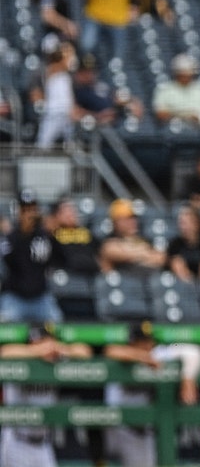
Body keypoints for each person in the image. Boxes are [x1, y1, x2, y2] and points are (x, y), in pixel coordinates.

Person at [104, 320, 200, 467]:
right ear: (132, 342)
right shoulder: (128, 353)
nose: (147, 345)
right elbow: (111, 350)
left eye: (149, 340)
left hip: (138, 433)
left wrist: (188, 379)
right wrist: (143, 357)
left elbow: (193, 350)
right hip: (113, 428)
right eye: (142, 341)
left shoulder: (157, 353)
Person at [0, 323, 92, 467]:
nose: (48, 346)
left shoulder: (55, 359)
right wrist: (37, 351)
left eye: (50, 341)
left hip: (44, 443)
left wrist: (60, 350)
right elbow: (5, 352)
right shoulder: (22, 356)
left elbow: (85, 351)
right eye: (42, 341)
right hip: (17, 441)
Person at [1, 190, 65, 323]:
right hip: (15, 297)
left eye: (32, 209)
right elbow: (10, 261)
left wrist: (53, 235)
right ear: (18, 212)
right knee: (5, 328)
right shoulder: (11, 236)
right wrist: (22, 235)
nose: (29, 214)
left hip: (41, 298)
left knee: (59, 326)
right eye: (25, 210)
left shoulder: (44, 235)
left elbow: (62, 260)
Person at [152, 53, 200, 129]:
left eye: (189, 71)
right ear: (177, 72)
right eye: (184, 72)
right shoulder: (164, 89)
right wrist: (186, 117)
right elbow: (160, 114)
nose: (187, 75)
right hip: (175, 131)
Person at [100, 199, 168, 274]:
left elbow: (161, 258)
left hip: (147, 281)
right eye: (127, 218)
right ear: (116, 222)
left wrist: (132, 252)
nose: (133, 222)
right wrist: (144, 253)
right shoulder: (109, 240)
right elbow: (110, 251)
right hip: (122, 282)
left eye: (134, 218)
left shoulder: (143, 238)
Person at [35, 47, 78, 149]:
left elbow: (69, 97)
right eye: (68, 57)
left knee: (71, 144)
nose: (71, 60)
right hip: (53, 114)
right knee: (43, 144)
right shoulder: (52, 69)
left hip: (67, 114)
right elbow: (54, 67)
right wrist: (63, 57)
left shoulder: (66, 76)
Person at [166, 206, 200, 282]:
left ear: (197, 224)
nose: (184, 227)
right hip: (183, 282)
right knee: (177, 263)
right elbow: (170, 263)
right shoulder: (175, 244)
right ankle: (189, 291)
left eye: (187, 223)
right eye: (182, 223)